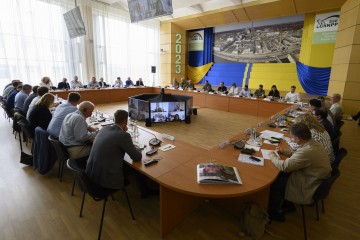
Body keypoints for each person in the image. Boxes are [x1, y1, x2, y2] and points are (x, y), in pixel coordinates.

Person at [267, 123, 331, 221]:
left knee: (273, 183)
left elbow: (284, 166)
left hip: (308, 184)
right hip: (314, 176)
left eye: (292, 137)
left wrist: (272, 155)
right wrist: (285, 152)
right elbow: (299, 152)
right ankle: (286, 202)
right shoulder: (312, 142)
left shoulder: (307, 151)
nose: (292, 139)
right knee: (280, 175)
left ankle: (276, 211)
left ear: (298, 138)